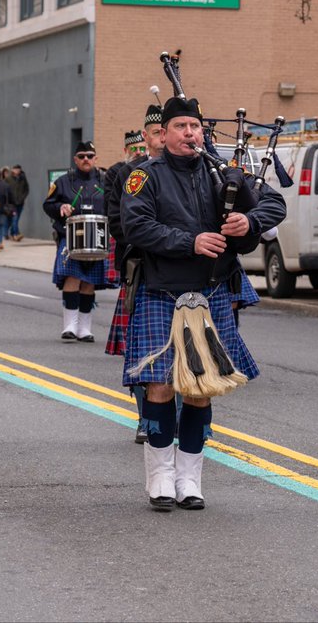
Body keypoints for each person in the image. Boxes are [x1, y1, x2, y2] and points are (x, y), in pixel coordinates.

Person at [121, 94, 286, 511]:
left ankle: (189, 477)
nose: (189, 133)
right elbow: (136, 226)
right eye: (180, 127)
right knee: (160, 385)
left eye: (194, 126)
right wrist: (189, 241)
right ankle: (159, 475)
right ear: (164, 133)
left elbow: (275, 203)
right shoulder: (145, 176)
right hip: (163, 291)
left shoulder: (221, 173)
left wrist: (250, 221)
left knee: (200, 389)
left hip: (210, 294)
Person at [105, 106, 164, 442]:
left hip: (183, 272)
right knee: (145, 353)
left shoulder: (191, 170)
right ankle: (146, 418)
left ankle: (184, 417)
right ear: (146, 135)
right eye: (154, 133)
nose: (157, 140)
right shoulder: (128, 174)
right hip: (142, 270)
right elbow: (118, 223)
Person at [43, 141, 115, 342]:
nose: (86, 159)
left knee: (89, 282)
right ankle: (69, 325)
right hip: (70, 237)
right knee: (71, 279)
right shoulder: (63, 181)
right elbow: (47, 204)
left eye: (90, 156)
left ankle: (84, 327)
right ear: (75, 159)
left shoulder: (105, 180)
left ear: (96, 159)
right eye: (82, 156)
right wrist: (60, 208)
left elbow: (115, 205)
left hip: (98, 238)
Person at [7, 164, 29, 241]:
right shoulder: (8, 178)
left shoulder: (23, 178)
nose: (17, 171)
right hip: (12, 203)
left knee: (16, 219)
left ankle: (13, 233)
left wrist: (23, 198)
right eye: (15, 169)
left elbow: (26, 189)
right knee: (15, 218)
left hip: (20, 202)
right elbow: (6, 190)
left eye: (18, 169)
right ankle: (16, 234)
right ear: (12, 170)